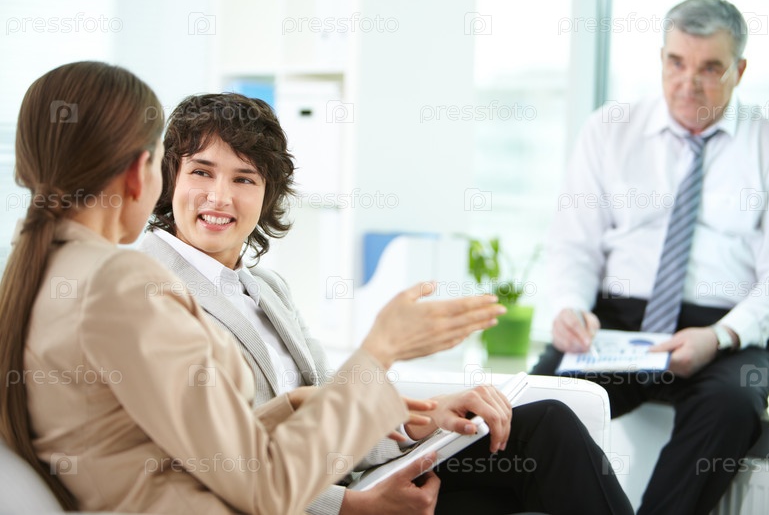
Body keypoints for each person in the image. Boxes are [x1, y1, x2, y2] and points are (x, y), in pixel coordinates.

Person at [0, 61, 507, 514]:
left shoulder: (42, 274)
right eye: (187, 169)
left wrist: (300, 406)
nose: (219, 196)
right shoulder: (122, 284)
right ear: (143, 173)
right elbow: (262, 486)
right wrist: (382, 348)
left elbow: (189, 450)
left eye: (244, 179)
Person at [140, 91, 634, 515]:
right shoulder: (148, 292)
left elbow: (331, 411)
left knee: (544, 430)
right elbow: (204, 465)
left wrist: (427, 419)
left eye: (243, 178)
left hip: (351, 479)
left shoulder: (265, 288)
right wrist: (352, 506)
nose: (220, 197)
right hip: (307, 503)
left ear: (267, 194)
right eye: (202, 172)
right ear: (169, 179)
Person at [532, 0, 769, 514]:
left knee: (731, 406)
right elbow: (573, 243)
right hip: (616, 321)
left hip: (724, 330)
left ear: (740, 70)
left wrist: (719, 336)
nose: (688, 83)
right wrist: (569, 307)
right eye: (676, 62)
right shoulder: (608, 131)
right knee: (540, 402)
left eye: (710, 68)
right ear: (660, 58)